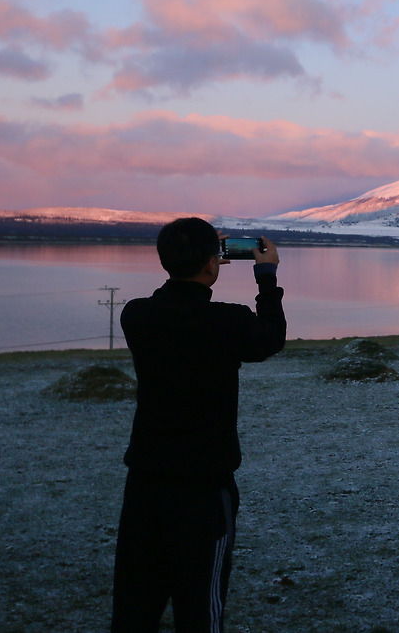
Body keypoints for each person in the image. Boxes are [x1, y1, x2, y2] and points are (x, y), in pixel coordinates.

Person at [111, 217, 286, 632]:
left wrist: (196, 260)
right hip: (204, 490)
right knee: (200, 611)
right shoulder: (230, 322)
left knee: (135, 608)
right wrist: (266, 277)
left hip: (145, 485)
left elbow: (172, 304)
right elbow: (271, 337)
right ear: (213, 263)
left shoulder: (136, 315)